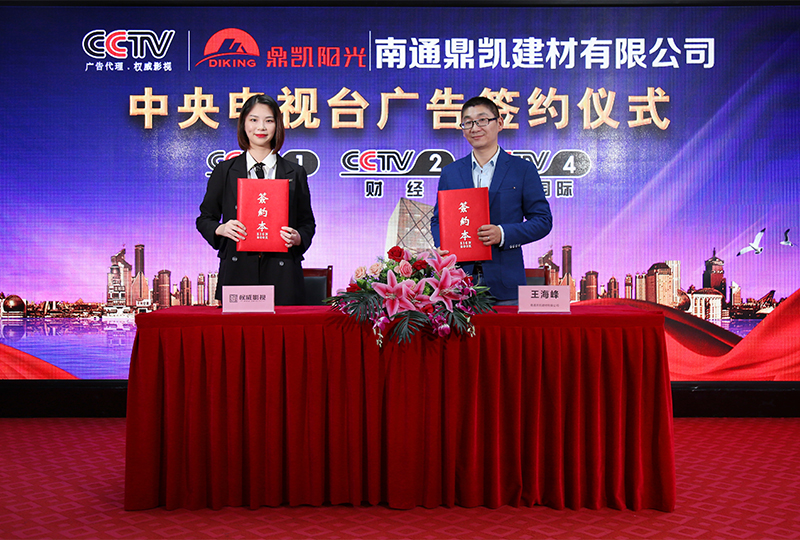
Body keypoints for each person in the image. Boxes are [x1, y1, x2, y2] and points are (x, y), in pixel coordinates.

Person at [431, 96, 552, 305]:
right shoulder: (451, 172)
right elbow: (437, 220)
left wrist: (502, 234)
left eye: (482, 120)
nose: (475, 128)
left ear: (500, 123)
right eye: (468, 122)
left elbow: (542, 221)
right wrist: (443, 245)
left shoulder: (522, 170)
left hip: (506, 284)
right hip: (458, 283)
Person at [197, 94, 315, 305]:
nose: (261, 127)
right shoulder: (225, 171)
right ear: (243, 124)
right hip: (238, 272)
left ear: (277, 126)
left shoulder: (295, 173)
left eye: (269, 120)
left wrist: (298, 238)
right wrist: (221, 229)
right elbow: (205, 218)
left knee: (283, 328)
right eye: (253, 120)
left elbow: (307, 223)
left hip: (283, 274)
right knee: (240, 328)